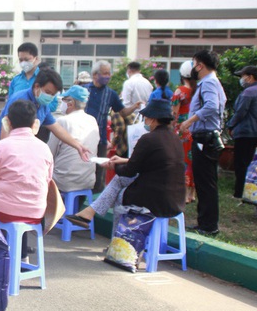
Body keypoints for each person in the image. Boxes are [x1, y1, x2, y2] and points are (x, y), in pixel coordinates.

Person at [66, 99, 186, 264]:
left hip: (155, 199)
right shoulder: (174, 140)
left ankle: (113, 241)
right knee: (120, 183)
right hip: (176, 199)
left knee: (120, 193)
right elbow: (149, 162)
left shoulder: (148, 139)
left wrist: (114, 166)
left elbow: (131, 170)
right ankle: (91, 215)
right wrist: (122, 161)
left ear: (152, 118)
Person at [0, 99, 53, 261]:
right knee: (18, 202)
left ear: (7, 122)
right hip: (36, 212)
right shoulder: (44, 148)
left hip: (3, 212)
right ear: (35, 123)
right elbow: (47, 181)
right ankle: (22, 255)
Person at [0, 68, 91, 165]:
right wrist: (6, 155)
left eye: (53, 94)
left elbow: (56, 128)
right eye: (48, 92)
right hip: (1, 148)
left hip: (21, 151)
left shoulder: (42, 105)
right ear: (37, 86)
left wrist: (78, 146)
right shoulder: (20, 99)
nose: (50, 97)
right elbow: (6, 128)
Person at [179, 50, 227, 236]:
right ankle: (205, 223)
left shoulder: (208, 83)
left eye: (194, 63)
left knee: (205, 183)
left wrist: (189, 121)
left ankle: (208, 225)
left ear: (200, 65)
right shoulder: (212, 83)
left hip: (205, 138)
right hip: (205, 137)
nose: (193, 68)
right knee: (204, 182)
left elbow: (211, 106)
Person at [85, 60, 142, 192]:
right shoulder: (84, 90)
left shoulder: (111, 94)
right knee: (83, 168)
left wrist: (134, 106)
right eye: (104, 73)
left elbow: (123, 112)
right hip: (84, 137)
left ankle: (96, 198)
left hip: (101, 139)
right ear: (95, 75)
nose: (108, 76)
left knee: (99, 173)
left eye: (109, 73)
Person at [48, 85, 99, 193]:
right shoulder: (92, 120)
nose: (61, 104)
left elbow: (49, 153)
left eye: (63, 100)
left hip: (64, 180)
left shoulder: (63, 121)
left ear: (70, 103)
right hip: (87, 179)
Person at [226, 65, 257, 200]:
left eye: (242, 76)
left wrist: (230, 125)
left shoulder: (248, 92)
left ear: (250, 77)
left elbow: (240, 112)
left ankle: (238, 193)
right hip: (256, 132)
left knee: (240, 163)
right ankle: (245, 191)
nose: (241, 79)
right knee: (247, 163)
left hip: (246, 132)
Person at [172, 61, 197, 203]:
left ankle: (183, 192)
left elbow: (174, 114)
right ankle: (192, 193)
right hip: (194, 130)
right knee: (192, 161)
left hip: (181, 131)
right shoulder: (197, 90)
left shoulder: (180, 91)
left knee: (182, 161)